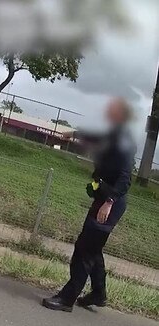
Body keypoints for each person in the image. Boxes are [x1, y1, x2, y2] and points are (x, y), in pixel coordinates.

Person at [43, 98, 136, 313]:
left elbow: (125, 178)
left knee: (84, 249)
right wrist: (72, 134)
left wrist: (109, 203)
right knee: (93, 249)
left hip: (110, 203)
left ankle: (67, 298)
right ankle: (98, 293)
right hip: (103, 199)